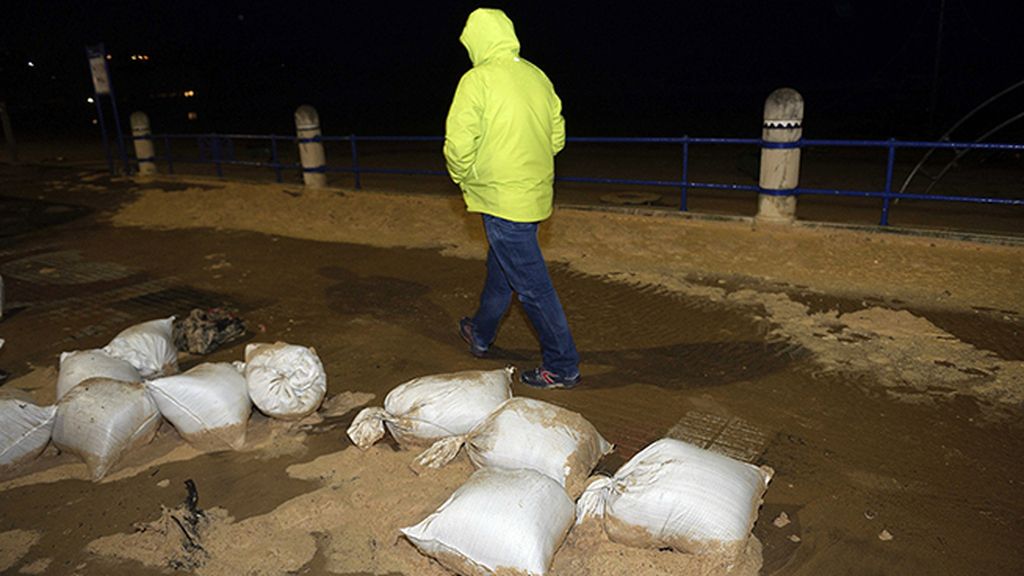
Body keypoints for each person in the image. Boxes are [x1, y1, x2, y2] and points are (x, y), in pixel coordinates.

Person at [444, 8, 580, 389]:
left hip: (502, 201)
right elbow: (557, 139)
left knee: (533, 288)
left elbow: (458, 145)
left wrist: (466, 177)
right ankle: (481, 332)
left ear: (477, 43)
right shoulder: (536, 76)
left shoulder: (477, 80)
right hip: (533, 197)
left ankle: (562, 364)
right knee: (502, 273)